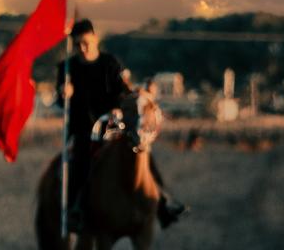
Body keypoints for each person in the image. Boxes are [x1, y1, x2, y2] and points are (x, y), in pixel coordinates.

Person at [55, 19, 187, 232]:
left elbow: (123, 91)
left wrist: (118, 107)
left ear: (95, 39)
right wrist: (64, 95)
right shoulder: (67, 68)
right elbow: (60, 102)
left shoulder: (110, 63)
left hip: (113, 126)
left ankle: (163, 202)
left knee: (142, 154)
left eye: (86, 42)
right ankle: (76, 209)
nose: (82, 48)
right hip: (83, 130)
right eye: (78, 44)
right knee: (80, 163)